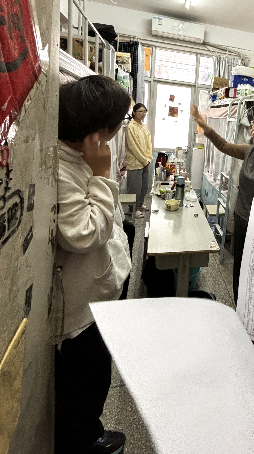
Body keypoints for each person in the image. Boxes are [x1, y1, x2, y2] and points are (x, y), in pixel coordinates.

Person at [53, 75, 132, 454]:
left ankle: (89, 431)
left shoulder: (82, 156)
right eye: (120, 122)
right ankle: (86, 440)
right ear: (101, 131)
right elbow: (84, 234)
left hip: (100, 294)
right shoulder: (62, 167)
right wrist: (101, 175)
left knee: (96, 377)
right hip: (83, 310)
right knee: (85, 385)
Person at [191, 104, 254, 305]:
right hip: (242, 219)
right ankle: (239, 304)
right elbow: (224, 145)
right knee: (240, 266)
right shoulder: (250, 151)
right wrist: (204, 126)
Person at [125, 103, 153, 219]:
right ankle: (133, 209)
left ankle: (140, 205)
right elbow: (134, 147)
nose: (143, 114)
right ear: (134, 113)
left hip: (145, 162)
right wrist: (144, 160)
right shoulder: (131, 127)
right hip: (135, 163)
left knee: (144, 187)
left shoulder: (143, 126)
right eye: (140, 111)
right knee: (134, 188)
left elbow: (148, 144)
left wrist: (148, 158)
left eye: (144, 111)